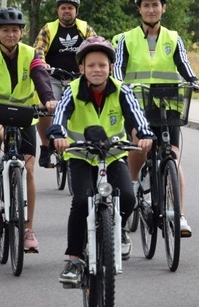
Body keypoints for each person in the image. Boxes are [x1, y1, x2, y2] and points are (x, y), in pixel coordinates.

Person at [46, 36, 154, 285]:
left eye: (102, 65)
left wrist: (146, 134)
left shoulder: (121, 89)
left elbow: (138, 117)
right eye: (91, 65)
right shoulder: (72, 90)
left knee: (127, 197)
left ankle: (119, 229)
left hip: (113, 154)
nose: (97, 70)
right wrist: (57, 134)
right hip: (81, 156)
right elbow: (60, 116)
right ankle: (73, 259)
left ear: (110, 68)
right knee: (82, 201)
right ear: (81, 68)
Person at [112, 0, 199, 237]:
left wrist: (195, 82)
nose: (151, 9)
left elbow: (184, 66)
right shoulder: (126, 39)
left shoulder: (173, 38)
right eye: (146, 5)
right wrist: (117, 87)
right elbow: (118, 69)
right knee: (139, 148)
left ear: (163, 8)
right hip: (138, 106)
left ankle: (180, 215)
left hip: (168, 106)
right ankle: (131, 191)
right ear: (139, 10)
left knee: (172, 156)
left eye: (155, 4)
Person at [0, 7, 56, 253]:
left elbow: (41, 77)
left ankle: (28, 229)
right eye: (5, 31)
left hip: (25, 115)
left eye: (15, 31)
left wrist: (48, 99)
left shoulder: (31, 53)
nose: (11, 35)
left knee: (28, 171)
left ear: (22, 32)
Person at [34, 0, 97, 169]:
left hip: (79, 78)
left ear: (76, 11)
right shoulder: (48, 28)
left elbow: (95, 46)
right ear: (58, 11)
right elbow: (38, 49)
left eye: (70, 8)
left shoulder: (85, 28)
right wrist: (43, 63)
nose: (67, 11)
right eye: (63, 8)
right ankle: (46, 146)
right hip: (53, 77)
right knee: (45, 108)